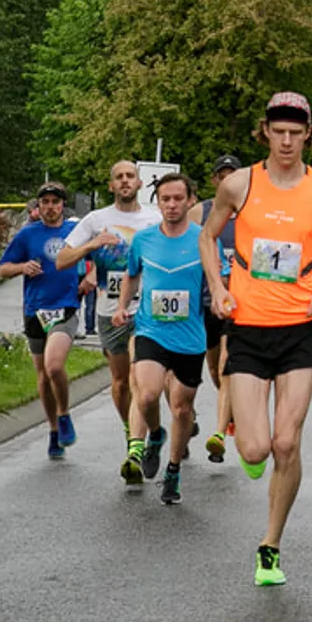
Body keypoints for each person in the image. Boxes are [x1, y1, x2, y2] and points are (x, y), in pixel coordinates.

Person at [201, 91, 312, 588]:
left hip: (299, 327)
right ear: (266, 132)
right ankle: (252, 453)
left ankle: (270, 545)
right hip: (248, 326)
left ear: (308, 135)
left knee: (286, 442)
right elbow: (207, 236)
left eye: (297, 133)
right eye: (280, 132)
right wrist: (217, 287)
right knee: (255, 449)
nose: (288, 141)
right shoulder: (239, 184)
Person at [56, 160, 164, 476]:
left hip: (146, 310)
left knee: (139, 377)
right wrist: (92, 244)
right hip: (109, 310)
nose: (125, 181)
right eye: (119, 177)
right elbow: (61, 259)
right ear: (111, 185)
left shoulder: (155, 218)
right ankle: (134, 432)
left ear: (140, 183)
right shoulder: (96, 219)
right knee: (120, 382)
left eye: (131, 176)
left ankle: (137, 446)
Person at [110, 172, 207, 505]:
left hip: (190, 336)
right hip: (151, 330)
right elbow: (131, 274)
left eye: (178, 198)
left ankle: (173, 470)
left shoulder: (204, 239)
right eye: (165, 199)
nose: (172, 205)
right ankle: (154, 435)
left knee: (181, 408)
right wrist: (122, 307)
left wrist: (224, 300)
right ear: (158, 202)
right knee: (148, 394)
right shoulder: (143, 239)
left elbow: (221, 278)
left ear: (190, 200)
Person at [0, 183, 84, 459]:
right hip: (35, 309)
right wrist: (22, 267)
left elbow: (95, 257)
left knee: (54, 366)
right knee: (43, 377)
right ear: (38, 206)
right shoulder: (27, 234)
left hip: (65, 307)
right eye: (45, 202)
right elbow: (3, 269)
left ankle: (64, 414)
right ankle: (54, 431)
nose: (50, 207)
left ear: (62, 205)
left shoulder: (75, 231)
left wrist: (92, 278)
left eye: (55, 202)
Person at [198, 154, 243, 463]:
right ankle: (230, 412)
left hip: (240, 302)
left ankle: (218, 432)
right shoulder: (201, 212)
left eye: (233, 174)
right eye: (222, 175)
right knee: (214, 368)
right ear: (215, 180)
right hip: (206, 300)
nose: (227, 180)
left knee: (227, 363)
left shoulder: (252, 211)